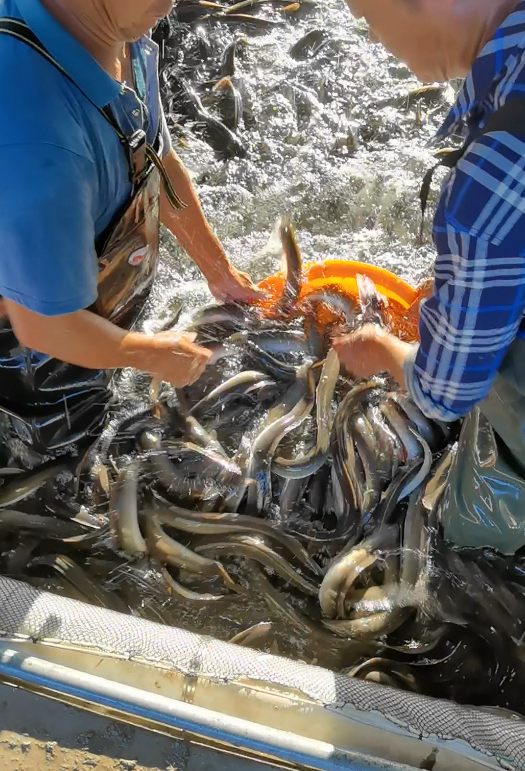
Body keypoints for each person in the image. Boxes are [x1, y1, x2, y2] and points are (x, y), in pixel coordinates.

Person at [0, 0, 264, 455]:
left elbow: (150, 154)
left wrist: (218, 270)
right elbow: (44, 327)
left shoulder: (117, 25)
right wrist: (146, 353)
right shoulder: (40, 143)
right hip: (29, 361)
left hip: (76, 308)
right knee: (60, 483)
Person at [334, 0, 525, 555]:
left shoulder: (490, 182)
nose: (371, 40)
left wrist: (386, 351)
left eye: (367, 16)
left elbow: (447, 391)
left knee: (463, 554)